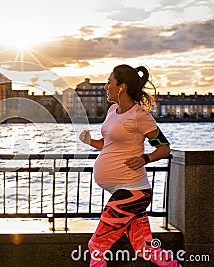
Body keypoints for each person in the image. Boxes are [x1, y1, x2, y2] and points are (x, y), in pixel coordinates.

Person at [79, 64, 181, 267]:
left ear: (122, 86)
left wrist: (145, 159)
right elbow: (108, 145)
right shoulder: (112, 111)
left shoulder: (139, 115)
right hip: (125, 191)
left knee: (97, 246)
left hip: (132, 191)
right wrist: (91, 141)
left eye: (109, 82)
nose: (106, 87)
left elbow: (164, 148)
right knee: (144, 247)